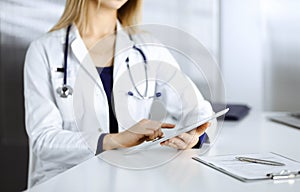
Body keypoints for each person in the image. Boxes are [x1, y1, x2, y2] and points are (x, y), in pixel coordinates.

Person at [24, 0, 213, 187]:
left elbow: (198, 109)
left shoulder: (147, 47)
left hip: (130, 179)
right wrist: (114, 140)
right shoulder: (45, 50)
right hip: (65, 181)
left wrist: (194, 136)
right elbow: (43, 140)